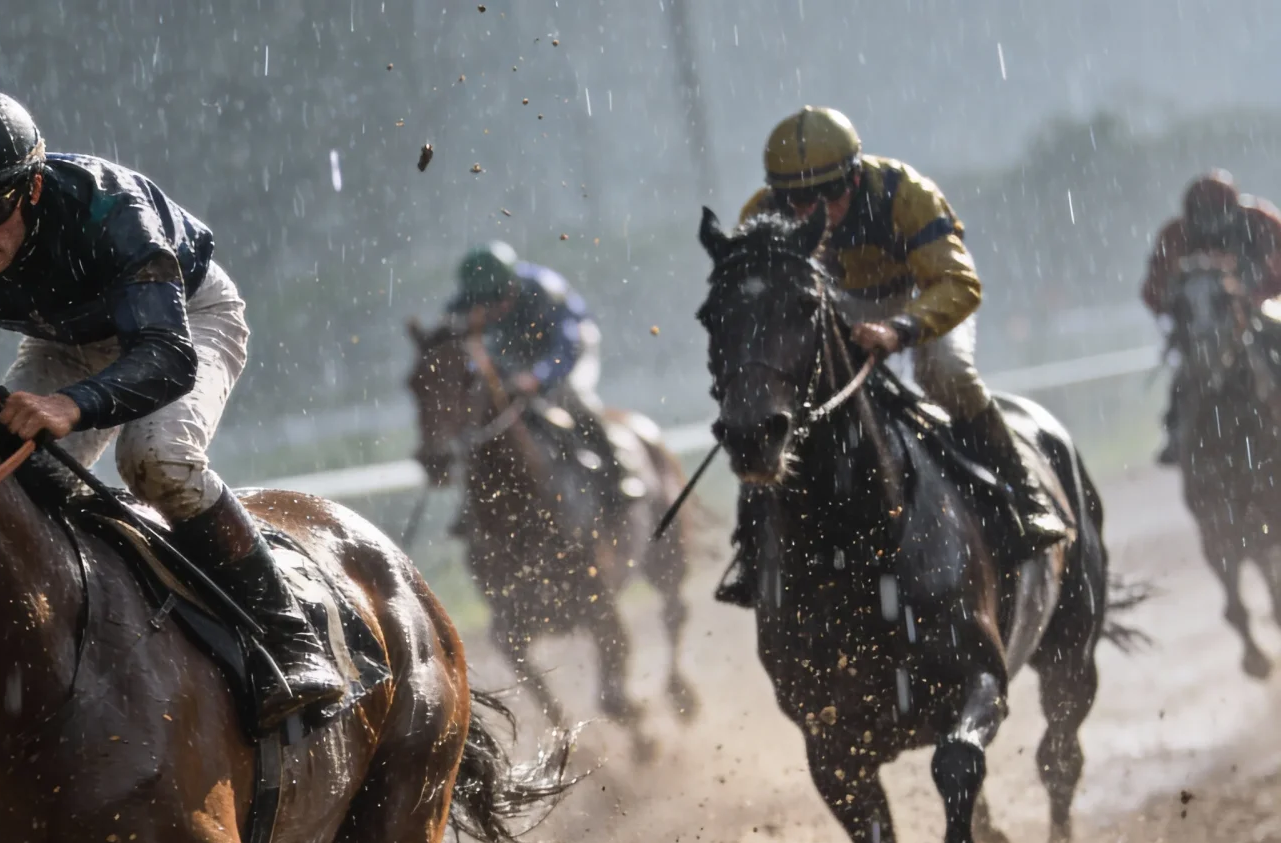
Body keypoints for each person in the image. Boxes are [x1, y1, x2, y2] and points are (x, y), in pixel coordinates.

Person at [0, 85, 343, 730]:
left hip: (181, 318)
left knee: (158, 458)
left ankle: (287, 637)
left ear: (33, 188)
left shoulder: (111, 207)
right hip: (61, 338)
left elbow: (165, 355)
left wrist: (71, 407)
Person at [716, 106, 1070, 608]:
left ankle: (1024, 497)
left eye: (828, 196)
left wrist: (899, 329)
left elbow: (957, 283)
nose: (811, 213)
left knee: (944, 371)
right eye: (796, 199)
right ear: (778, 193)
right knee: (768, 406)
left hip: (916, 298)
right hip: (824, 310)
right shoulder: (760, 213)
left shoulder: (905, 194)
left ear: (855, 178)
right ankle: (752, 547)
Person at [444, 241, 630, 523]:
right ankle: (475, 502)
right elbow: (456, 351)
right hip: (517, 358)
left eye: (498, 299)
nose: (494, 309)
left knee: (572, 397)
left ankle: (619, 476)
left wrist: (538, 377)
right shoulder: (462, 306)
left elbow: (567, 348)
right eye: (485, 304)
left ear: (511, 285)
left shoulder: (545, 290)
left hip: (571, 349)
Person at [1139, 171, 1281, 463]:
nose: (1210, 223)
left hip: (1261, 307)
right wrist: (1175, 308)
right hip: (1203, 318)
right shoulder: (1175, 235)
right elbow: (1152, 289)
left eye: (1215, 213)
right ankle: (1177, 428)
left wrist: (1255, 295)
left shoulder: (1262, 221)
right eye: (1203, 214)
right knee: (1189, 364)